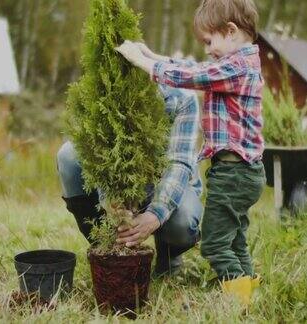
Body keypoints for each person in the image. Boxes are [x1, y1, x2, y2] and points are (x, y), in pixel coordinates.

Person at [115, 0, 265, 306]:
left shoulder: (238, 67)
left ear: (231, 31)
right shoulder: (240, 63)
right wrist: (153, 56)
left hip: (234, 173)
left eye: (210, 41)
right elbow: (197, 69)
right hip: (243, 172)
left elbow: (193, 78)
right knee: (234, 238)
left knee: (214, 244)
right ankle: (249, 288)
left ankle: (239, 303)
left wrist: (143, 63)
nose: (207, 49)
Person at [58, 84, 203, 277]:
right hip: (120, 180)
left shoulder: (181, 97)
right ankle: (108, 250)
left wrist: (155, 216)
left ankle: (169, 255)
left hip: (168, 183)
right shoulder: (102, 88)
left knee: (182, 223)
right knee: (68, 155)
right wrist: (110, 201)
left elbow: (178, 164)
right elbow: (99, 152)